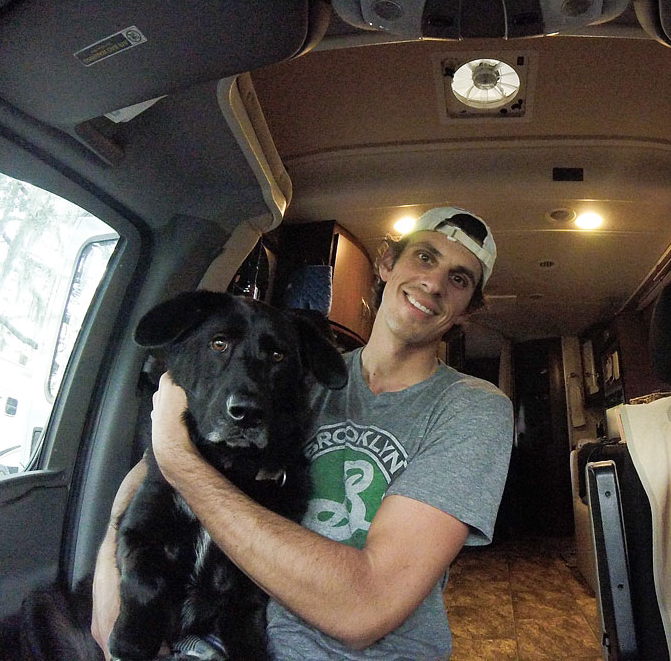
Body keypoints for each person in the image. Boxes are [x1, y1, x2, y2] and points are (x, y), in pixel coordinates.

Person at [91, 207, 514, 659]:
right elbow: (155, 464)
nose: (433, 284)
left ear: (467, 310)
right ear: (387, 263)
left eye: (459, 279)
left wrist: (180, 463)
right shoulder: (291, 376)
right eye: (425, 257)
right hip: (223, 641)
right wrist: (113, 589)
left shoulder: (472, 407)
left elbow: (365, 608)